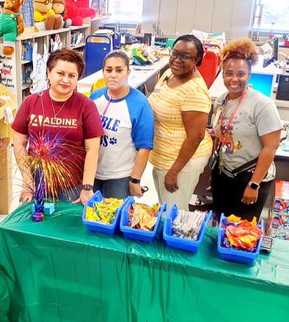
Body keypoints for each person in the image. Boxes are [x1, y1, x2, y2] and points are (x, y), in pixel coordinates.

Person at [11, 48, 102, 205]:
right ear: (49, 72)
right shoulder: (31, 102)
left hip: (72, 188)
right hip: (36, 185)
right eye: (60, 73)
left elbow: (92, 149)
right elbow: (19, 142)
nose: (66, 80)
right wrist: (27, 180)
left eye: (72, 76)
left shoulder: (86, 106)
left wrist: (87, 187)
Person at [209, 38, 282, 223]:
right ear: (222, 74)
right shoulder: (221, 101)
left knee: (242, 231)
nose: (234, 79)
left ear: (249, 74)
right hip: (224, 173)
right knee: (221, 223)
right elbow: (219, 137)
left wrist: (254, 184)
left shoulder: (262, 105)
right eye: (228, 73)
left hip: (249, 177)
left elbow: (270, 147)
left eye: (240, 74)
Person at [148, 34, 213, 208]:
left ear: (197, 60)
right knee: (165, 208)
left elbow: (196, 137)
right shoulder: (169, 74)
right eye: (175, 53)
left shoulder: (194, 91)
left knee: (175, 215)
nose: (177, 60)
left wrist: (174, 172)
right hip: (163, 155)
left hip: (182, 163)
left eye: (185, 56)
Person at [89, 50, 155, 199]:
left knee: (114, 218)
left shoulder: (140, 104)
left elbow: (144, 147)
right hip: (92, 173)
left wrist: (135, 180)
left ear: (128, 72)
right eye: (109, 70)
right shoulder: (95, 97)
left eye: (119, 70)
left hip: (120, 177)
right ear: (103, 72)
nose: (113, 75)